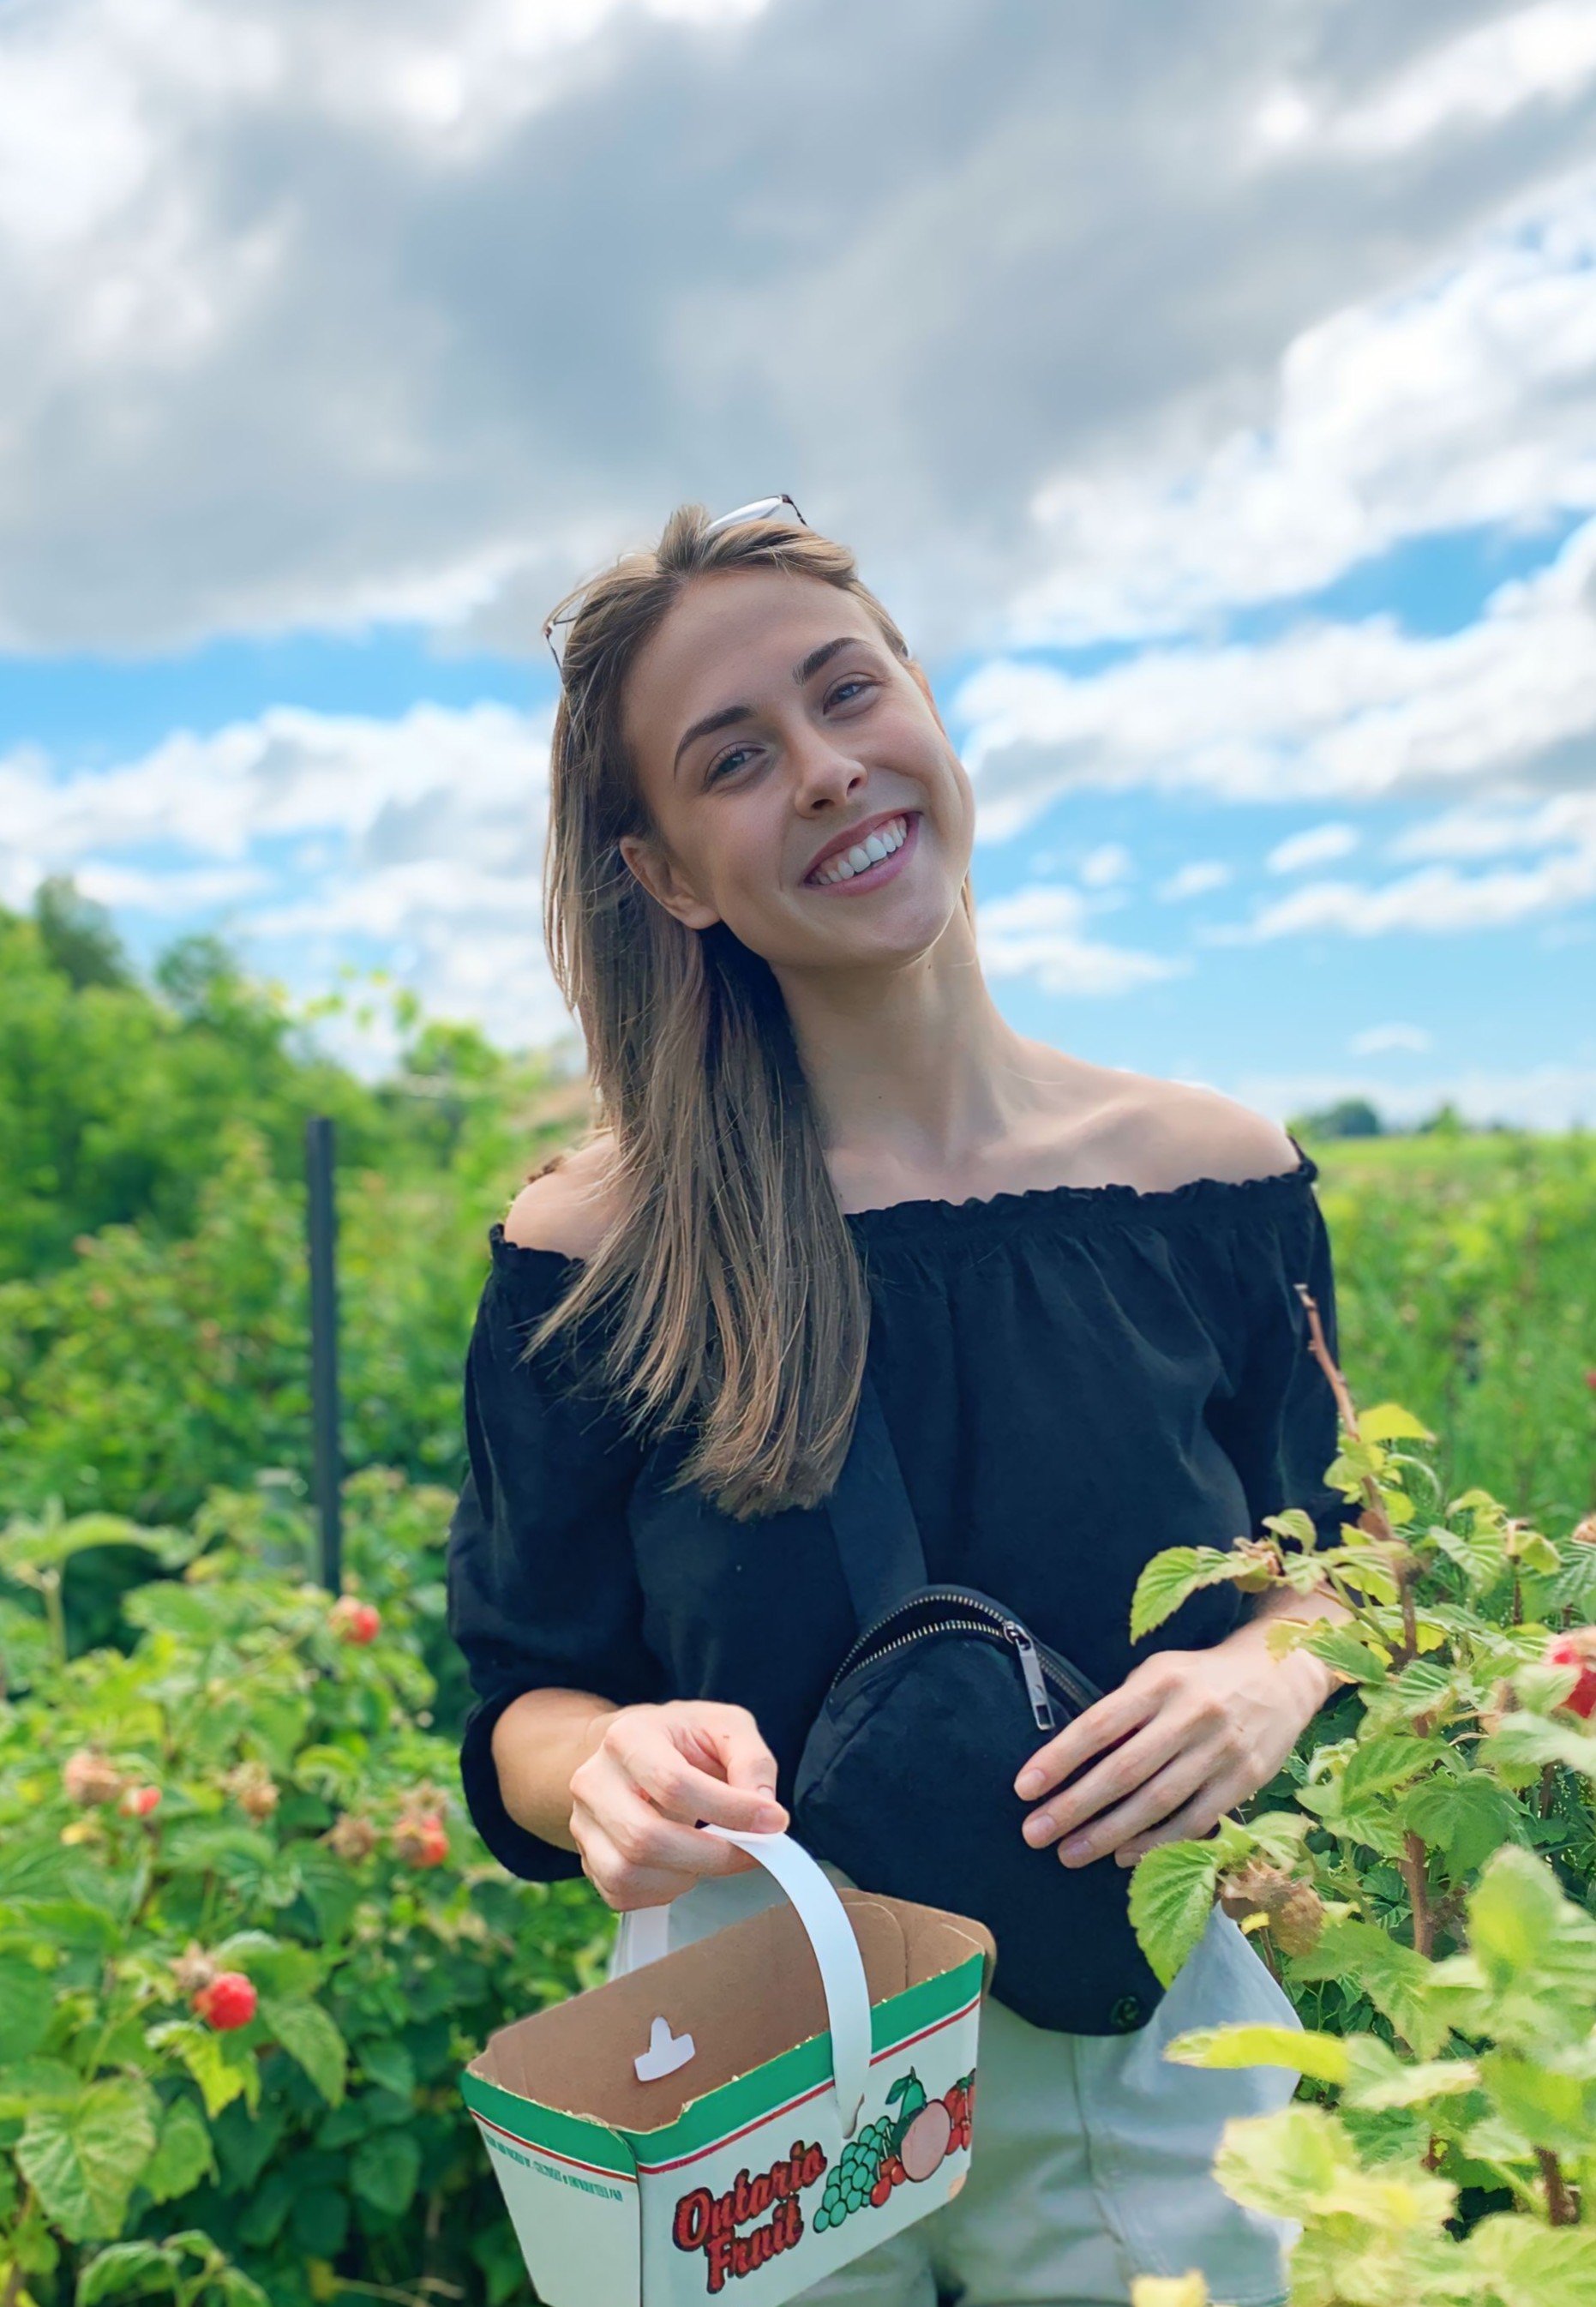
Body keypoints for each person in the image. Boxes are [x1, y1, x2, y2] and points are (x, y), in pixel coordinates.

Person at [445, 499, 1359, 2307]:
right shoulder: (593, 1248)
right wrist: (603, 1773)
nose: (823, 767)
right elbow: (517, 1697)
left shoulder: (1211, 1183)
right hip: (738, 2031)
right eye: (732, 757)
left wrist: (1265, 1668)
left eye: (845, 692)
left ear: (929, 715)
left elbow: (1331, 1562)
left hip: (1128, 1986)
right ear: (671, 877)